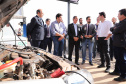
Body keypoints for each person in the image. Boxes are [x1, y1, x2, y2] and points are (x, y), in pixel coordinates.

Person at [110, 9, 126, 81]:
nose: (117, 15)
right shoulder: (120, 23)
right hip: (117, 44)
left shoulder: (124, 23)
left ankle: (123, 76)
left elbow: (116, 30)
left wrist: (114, 29)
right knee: (118, 59)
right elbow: (113, 29)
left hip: (121, 45)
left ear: (122, 15)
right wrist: (114, 28)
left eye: (118, 14)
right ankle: (118, 71)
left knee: (122, 61)